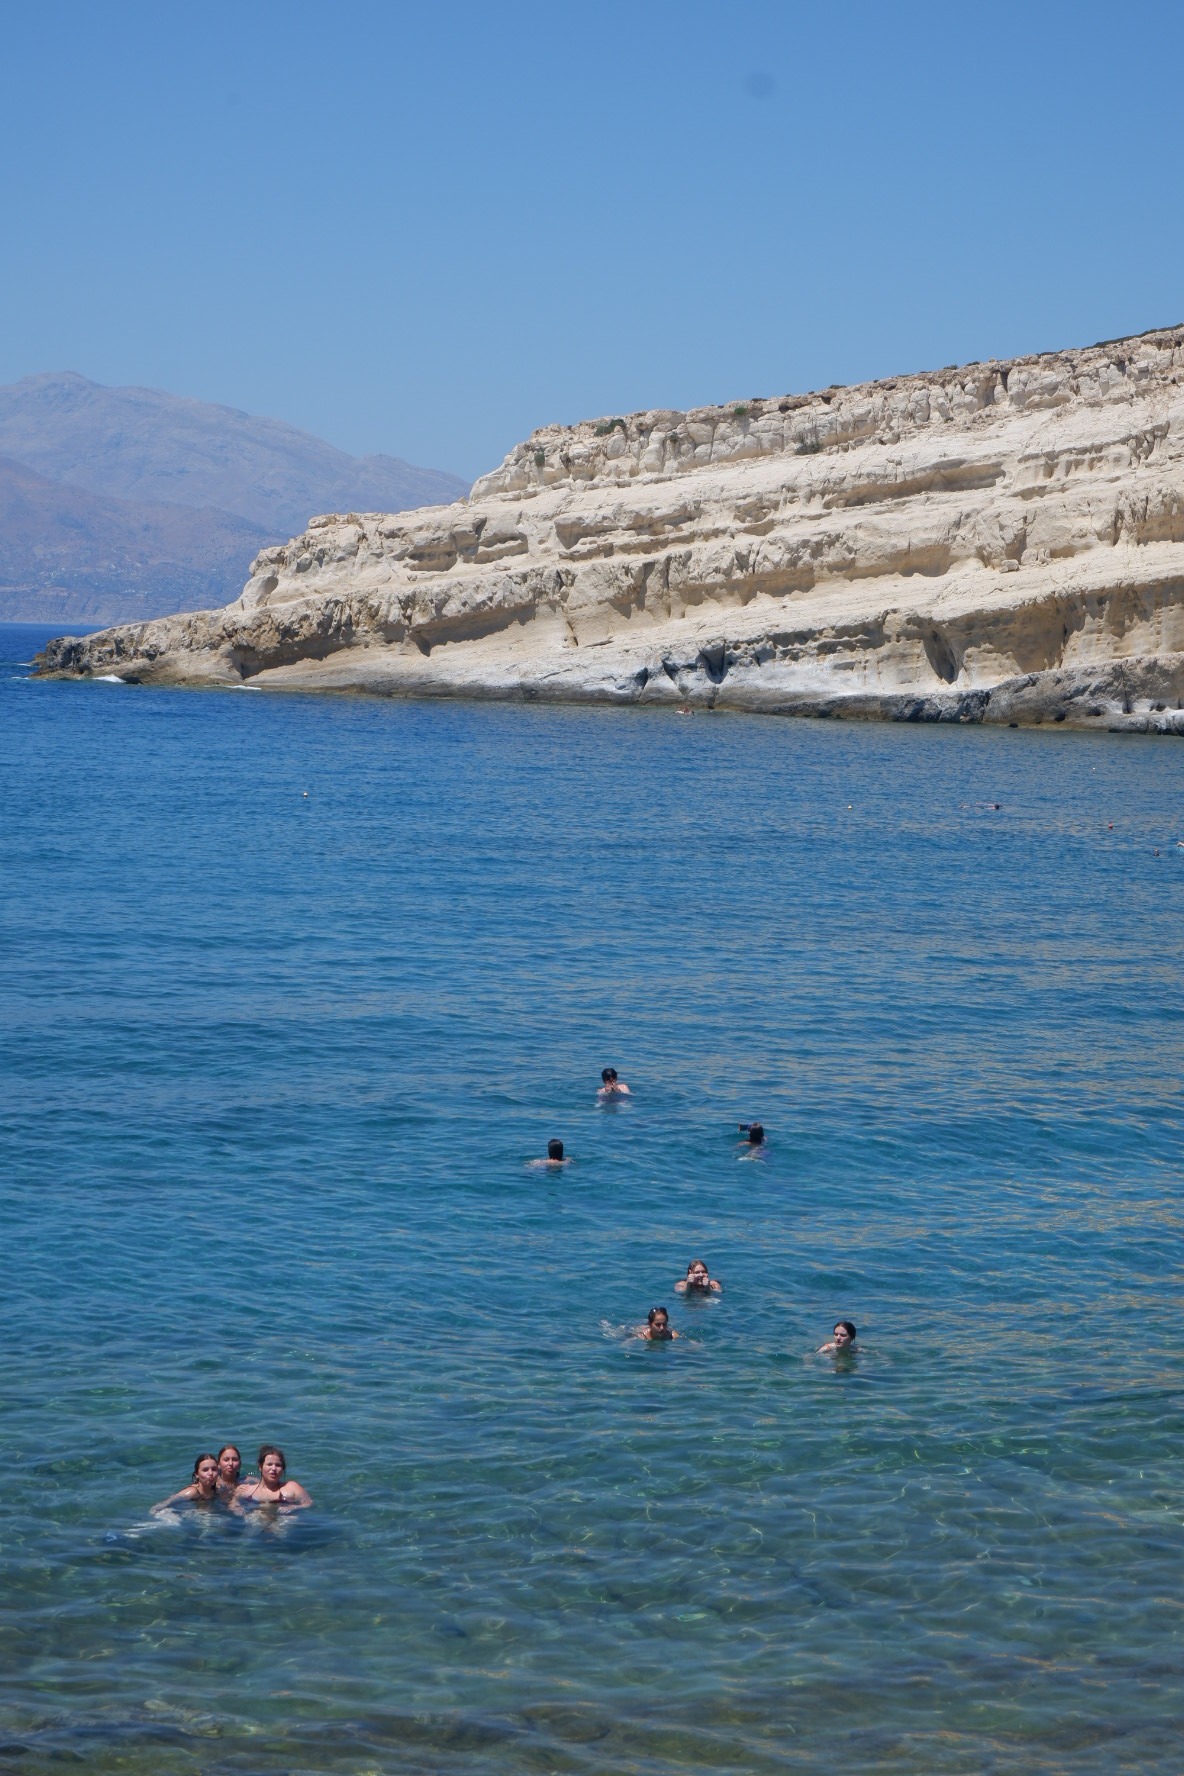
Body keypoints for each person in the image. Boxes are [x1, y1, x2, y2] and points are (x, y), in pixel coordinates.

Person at [232, 1445, 312, 1510]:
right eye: (269, 1464)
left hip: (283, 1520)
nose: (273, 1469)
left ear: (283, 1468)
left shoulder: (292, 1487)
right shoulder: (247, 1490)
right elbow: (233, 1503)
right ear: (260, 1467)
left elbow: (309, 1503)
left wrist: (293, 1507)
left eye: (278, 1465)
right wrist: (238, 1508)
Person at [152, 1453, 222, 1513]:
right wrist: (156, 1509)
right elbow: (167, 1503)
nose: (210, 1473)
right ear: (197, 1474)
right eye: (205, 1470)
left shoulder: (215, 1490)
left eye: (214, 1469)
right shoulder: (192, 1492)